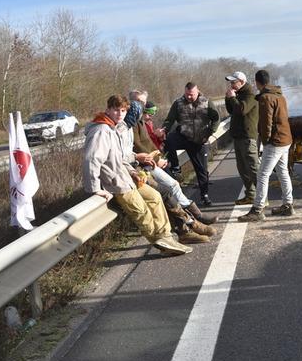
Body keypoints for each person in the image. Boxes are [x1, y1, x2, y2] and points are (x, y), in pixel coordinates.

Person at [83, 95, 191, 256]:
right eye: (116, 110)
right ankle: (160, 242)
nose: (120, 114)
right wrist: (94, 188)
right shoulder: (101, 130)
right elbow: (91, 159)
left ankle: (165, 236)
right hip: (116, 183)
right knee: (142, 211)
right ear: (108, 109)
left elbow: (119, 158)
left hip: (127, 177)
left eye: (123, 111)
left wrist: (133, 171)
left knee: (155, 197)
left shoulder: (113, 128)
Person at [128, 90, 218, 227]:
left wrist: (158, 156)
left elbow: (147, 143)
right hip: (141, 165)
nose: (142, 105)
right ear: (131, 102)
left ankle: (192, 219)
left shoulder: (140, 120)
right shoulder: (131, 121)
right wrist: (158, 159)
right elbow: (138, 145)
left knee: (172, 187)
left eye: (144, 102)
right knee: (168, 190)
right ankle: (191, 221)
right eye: (139, 102)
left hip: (151, 161)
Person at [237, 70, 294, 222]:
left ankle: (257, 209)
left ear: (257, 82)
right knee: (282, 172)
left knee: (262, 174)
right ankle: (288, 204)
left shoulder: (265, 98)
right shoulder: (279, 95)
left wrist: (265, 140)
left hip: (275, 141)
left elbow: (266, 122)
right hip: (286, 139)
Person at [160, 82, 220, 207]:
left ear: (197, 91)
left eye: (191, 95)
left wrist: (210, 132)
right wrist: (164, 129)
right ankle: (175, 166)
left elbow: (216, 118)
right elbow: (169, 119)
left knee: (202, 170)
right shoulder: (178, 103)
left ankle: (205, 195)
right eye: (187, 94)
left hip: (199, 140)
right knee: (169, 140)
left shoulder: (206, 102)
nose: (189, 97)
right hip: (184, 136)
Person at [225, 71, 260, 206]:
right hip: (238, 136)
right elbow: (231, 110)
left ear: (242, 81)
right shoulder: (238, 94)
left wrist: (233, 98)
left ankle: (263, 197)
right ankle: (250, 195)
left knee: (253, 168)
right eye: (231, 82)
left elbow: (242, 110)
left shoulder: (250, 95)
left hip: (247, 136)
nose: (232, 84)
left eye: (234, 82)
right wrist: (228, 98)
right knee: (242, 169)